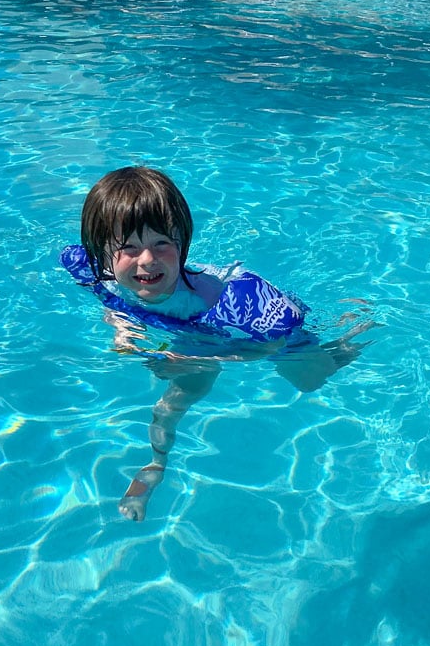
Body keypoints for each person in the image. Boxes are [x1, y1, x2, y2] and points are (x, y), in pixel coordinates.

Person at [62, 167, 370, 521]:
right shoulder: (97, 273)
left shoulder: (226, 301)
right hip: (187, 337)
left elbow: (265, 347)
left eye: (162, 243)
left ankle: (349, 335)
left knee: (308, 378)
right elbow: (110, 297)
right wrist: (119, 323)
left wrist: (192, 355)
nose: (147, 260)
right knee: (168, 407)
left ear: (182, 241)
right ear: (101, 253)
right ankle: (155, 465)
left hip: (248, 332)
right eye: (129, 248)